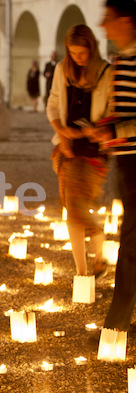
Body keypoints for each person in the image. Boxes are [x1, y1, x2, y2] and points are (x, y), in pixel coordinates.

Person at [85, 0, 136, 342]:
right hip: (129, 162)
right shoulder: (124, 59)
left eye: (108, 19)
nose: (102, 26)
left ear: (127, 20)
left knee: (131, 246)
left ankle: (116, 329)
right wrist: (106, 127)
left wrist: (113, 132)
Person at [47, 24, 113, 278]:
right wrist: (62, 132)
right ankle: (84, 271)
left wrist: (96, 131)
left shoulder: (105, 72)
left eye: (82, 53)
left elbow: (111, 110)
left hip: (94, 149)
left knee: (78, 207)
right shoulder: (62, 70)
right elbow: (53, 104)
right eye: (73, 53)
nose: (78, 58)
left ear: (91, 48)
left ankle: (94, 260)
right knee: (73, 208)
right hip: (67, 148)